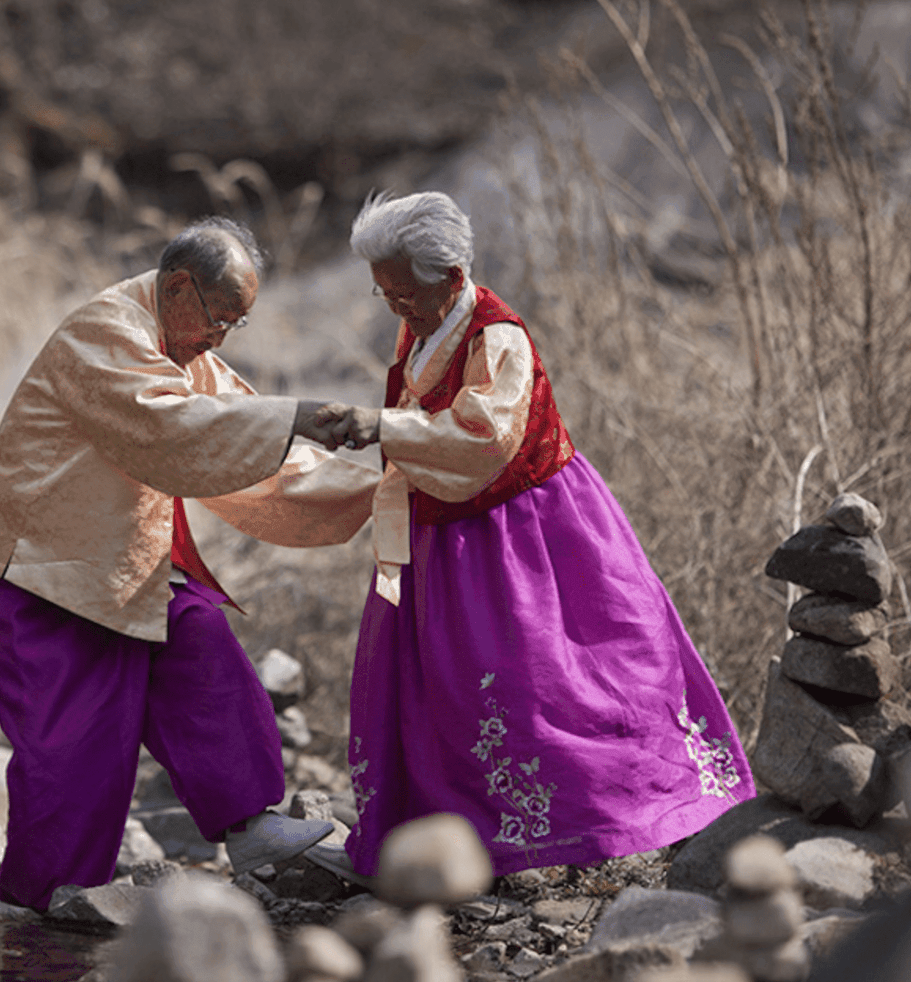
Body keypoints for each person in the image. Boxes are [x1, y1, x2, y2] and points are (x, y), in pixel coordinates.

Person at [307, 191, 756, 884]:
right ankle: (461, 835)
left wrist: (384, 427)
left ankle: (605, 819)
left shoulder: (498, 337)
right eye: (385, 292)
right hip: (444, 532)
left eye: (404, 293)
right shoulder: (422, 325)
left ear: (453, 278)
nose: (394, 306)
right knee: (446, 688)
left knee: (549, 678)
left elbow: (485, 434)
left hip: (526, 531)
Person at [0, 217, 379, 910]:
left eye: (234, 325)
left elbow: (245, 440)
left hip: (117, 570)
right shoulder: (106, 331)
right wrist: (293, 414)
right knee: (75, 759)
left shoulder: (179, 342)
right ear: (179, 287)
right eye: (221, 320)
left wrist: (377, 488)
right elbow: (174, 432)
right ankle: (41, 913)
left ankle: (251, 823)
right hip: (34, 578)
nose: (221, 338)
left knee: (200, 636)